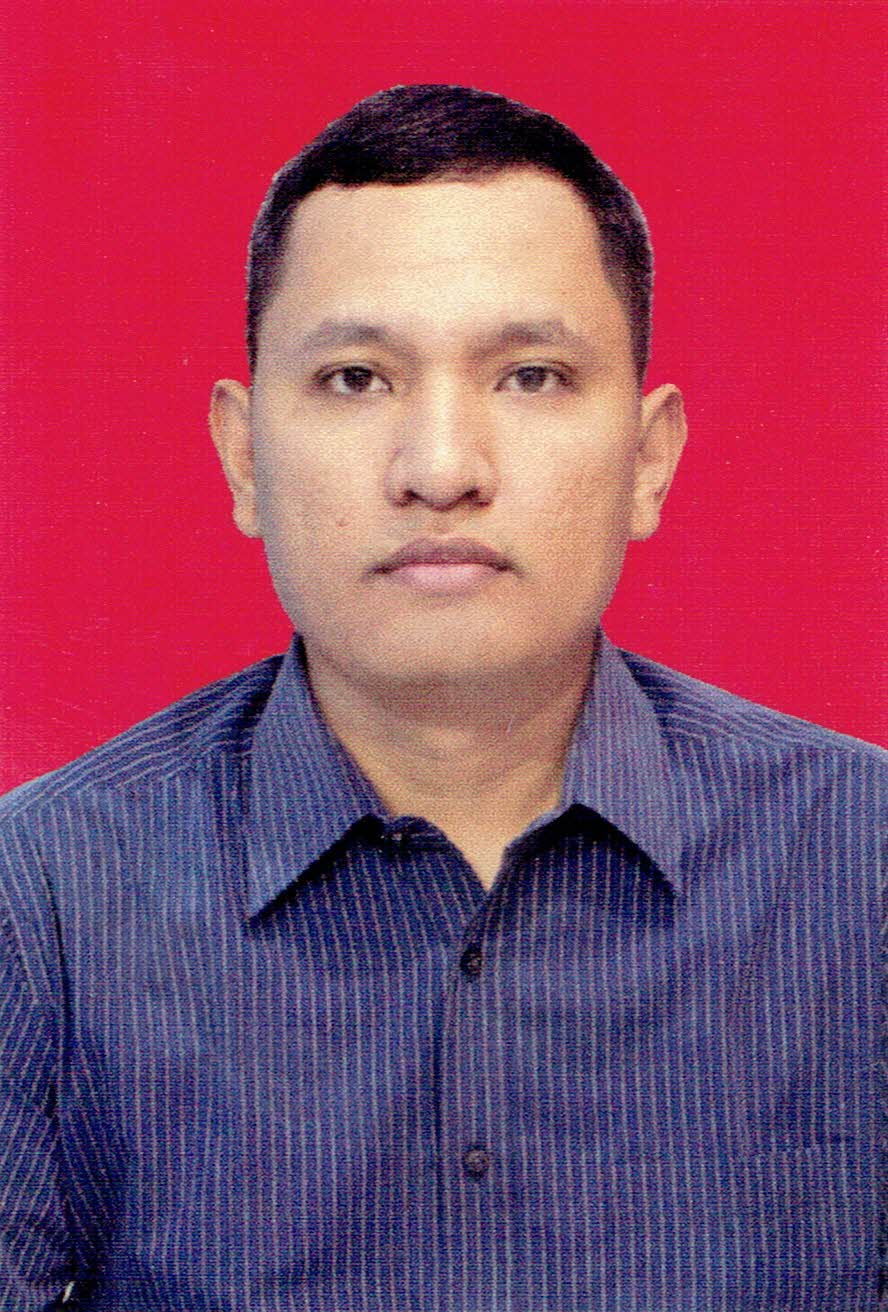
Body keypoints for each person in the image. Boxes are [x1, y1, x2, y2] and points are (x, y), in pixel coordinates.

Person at [0, 84, 882, 1312]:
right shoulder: (43, 893)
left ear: (649, 457)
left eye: (531, 375)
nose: (441, 469)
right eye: (357, 377)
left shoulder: (860, 858)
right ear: (244, 455)